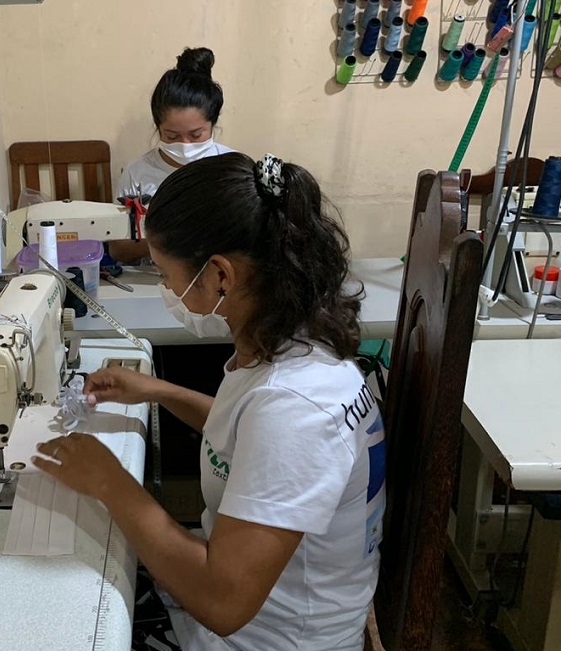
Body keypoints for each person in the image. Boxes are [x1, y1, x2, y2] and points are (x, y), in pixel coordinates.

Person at [34, 152, 385, 650]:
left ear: (221, 275)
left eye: (165, 274)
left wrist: (110, 482)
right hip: (264, 608)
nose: (167, 288)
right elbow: (251, 443)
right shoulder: (295, 344)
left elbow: (224, 605)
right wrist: (158, 390)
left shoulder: (297, 409)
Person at [108, 47, 234, 265]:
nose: (185, 145)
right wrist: (174, 242)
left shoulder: (232, 168)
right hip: (153, 283)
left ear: (212, 125)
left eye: (196, 135)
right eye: (172, 135)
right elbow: (118, 249)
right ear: (158, 128)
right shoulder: (137, 173)